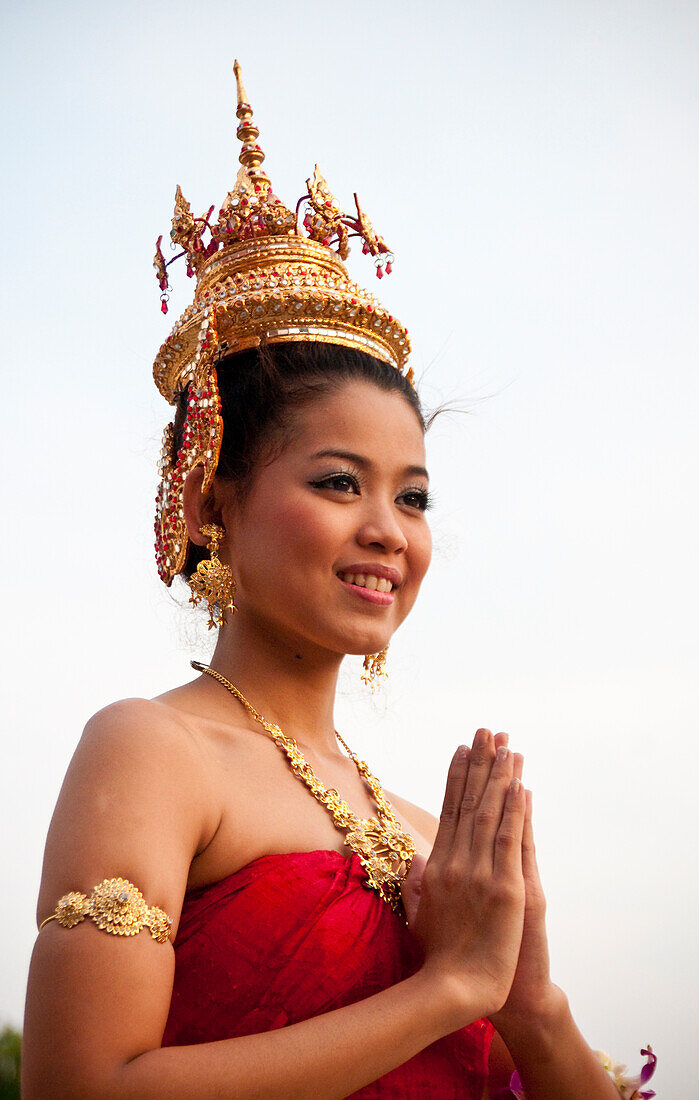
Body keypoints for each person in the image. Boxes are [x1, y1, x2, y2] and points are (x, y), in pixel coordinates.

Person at [22, 63, 656, 1100]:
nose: (388, 532)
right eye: (336, 481)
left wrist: (528, 996)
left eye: (414, 499)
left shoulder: (423, 833)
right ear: (210, 499)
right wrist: (449, 984)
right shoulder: (153, 749)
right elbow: (81, 1084)